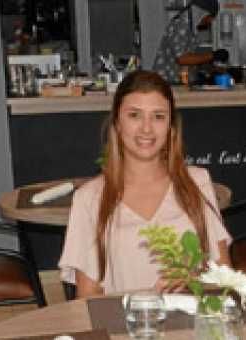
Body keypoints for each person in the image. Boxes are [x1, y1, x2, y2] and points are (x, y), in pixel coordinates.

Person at [59, 70, 231, 297]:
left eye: (158, 116)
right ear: (117, 123)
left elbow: (225, 280)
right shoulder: (89, 198)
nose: (147, 128)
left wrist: (193, 280)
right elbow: (88, 299)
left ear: (170, 127)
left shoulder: (197, 182)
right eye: (134, 115)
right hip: (124, 319)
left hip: (191, 317)